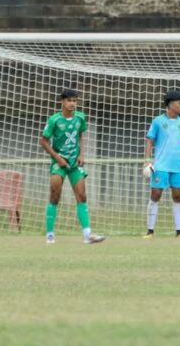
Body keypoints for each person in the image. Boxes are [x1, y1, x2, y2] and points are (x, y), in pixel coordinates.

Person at [39, 89, 105, 245]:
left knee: (82, 195)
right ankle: (49, 235)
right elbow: (43, 141)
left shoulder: (80, 118)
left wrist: (82, 154)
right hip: (59, 163)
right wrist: (58, 158)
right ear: (62, 101)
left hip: (75, 163)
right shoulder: (54, 120)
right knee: (55, 195)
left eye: (75, 101)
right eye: (69, 100)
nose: (73, 103)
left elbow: (81, 135)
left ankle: (88, 235)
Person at [142, 91, 180, 239]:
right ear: (170, 104)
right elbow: (150, 140)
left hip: (177, 166)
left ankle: (179, 232)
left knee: (178, 196)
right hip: (160, 165)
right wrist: (148, 161)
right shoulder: (158, 121)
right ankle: (150, 231)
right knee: (156, 194)